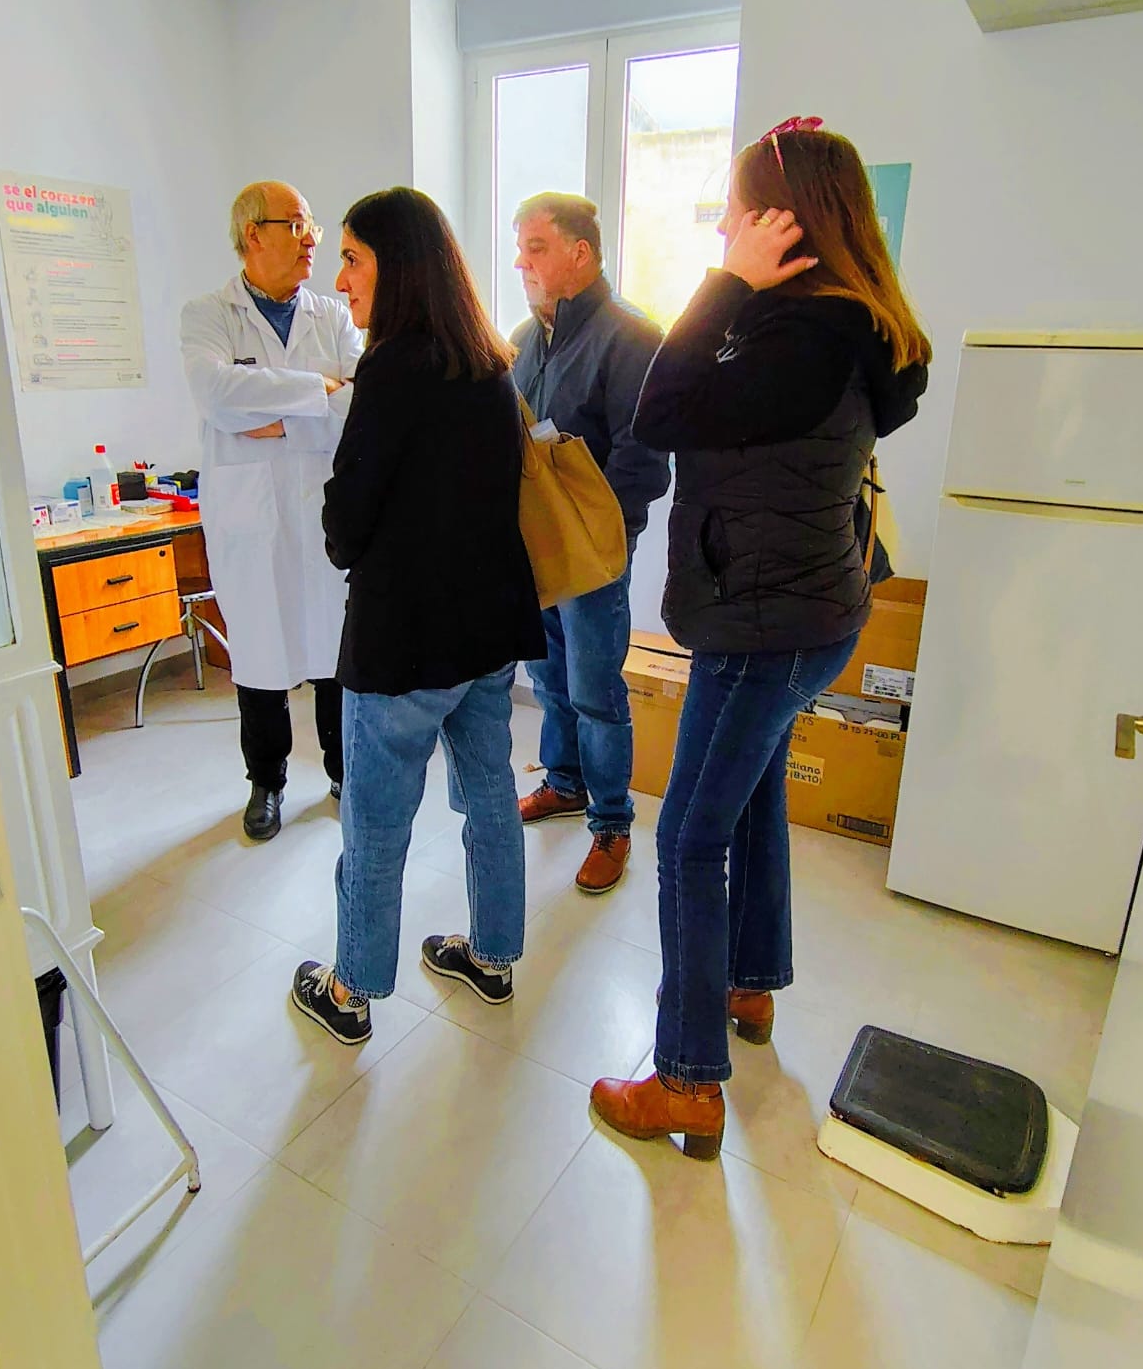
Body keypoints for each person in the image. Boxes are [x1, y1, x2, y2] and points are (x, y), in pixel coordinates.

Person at [590, 119, 931, 1159]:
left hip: (762, 624)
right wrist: (743, 290)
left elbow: (659, 410)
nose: (724, 228)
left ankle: (687, 1081)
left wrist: (723, 284)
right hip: (808, 610)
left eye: (737, 212)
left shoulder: (804, 334)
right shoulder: (852, 321)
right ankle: (750, 983)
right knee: (752, 799)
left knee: (688, 837)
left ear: (784, 221)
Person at [290, 188, 546, 1046]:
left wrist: (341, 504)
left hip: (405, 643)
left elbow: (346, 523)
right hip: (488, 632)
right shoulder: (489, 363)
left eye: (352, 258)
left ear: (396, 265)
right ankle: (493, 957)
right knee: (491, 798)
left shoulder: (392, 369)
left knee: (376, 823)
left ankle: (351, 990)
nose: (340, 278)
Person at [181, 182, 364, 841]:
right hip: (250, 517)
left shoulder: (332, 316)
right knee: (259, 654)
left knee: (333, 651)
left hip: (321, 509)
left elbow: (361, 401)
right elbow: (216, 393)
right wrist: (319, 390)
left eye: (312, 225)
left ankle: (344, 773)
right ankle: (267, 781)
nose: (312, 239)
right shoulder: (208, 314)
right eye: (297, 224)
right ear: (254, 233)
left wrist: (276, 418)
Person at [510, 194, 670, 896]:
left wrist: (602, 536)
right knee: (549, 678)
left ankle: (611, 824)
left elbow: (645, 458)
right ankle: (566, 782)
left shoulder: (631, 335)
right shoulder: (525, 338)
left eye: (536, 247)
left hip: (594, 551)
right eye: (520, 247)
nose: (521, 262)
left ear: (581, 252)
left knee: (597, 692)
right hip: (535, 544)